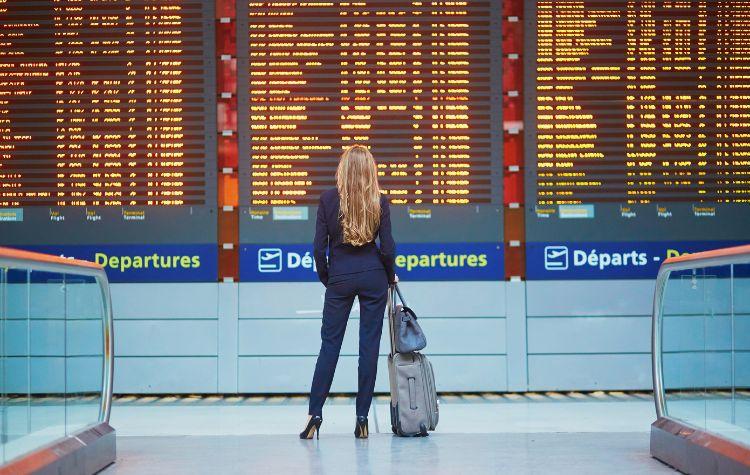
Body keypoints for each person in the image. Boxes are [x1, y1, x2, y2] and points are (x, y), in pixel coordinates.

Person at [299, 144, 396, 440]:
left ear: (343, 169)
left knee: (329, 346)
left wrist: (329, 278)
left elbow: (318, 248)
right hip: (372, 277)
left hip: (340, 276)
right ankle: (362, 418)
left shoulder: (328, 199)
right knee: (368, 347)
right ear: (370, 170)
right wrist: (390, 275)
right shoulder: (380, 201)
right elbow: (389, 248)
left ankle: (315, 414)